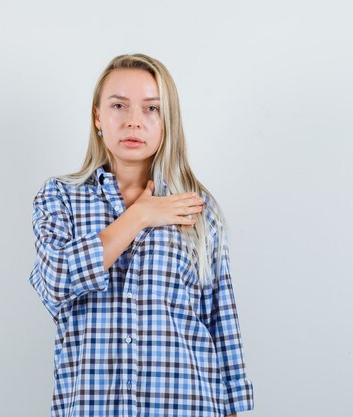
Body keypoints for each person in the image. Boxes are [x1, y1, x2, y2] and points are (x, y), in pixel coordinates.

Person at [28, 53, 254, 417]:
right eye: (119, 105)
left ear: (168, 121)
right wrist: (140, 216)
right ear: (98, 116)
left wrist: (233, 409)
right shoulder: (59, 197)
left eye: (151, 108)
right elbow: (55, 281)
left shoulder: (196, 207)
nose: (134, 121)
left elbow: (219, 317)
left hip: (187, 404)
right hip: (93, 405)